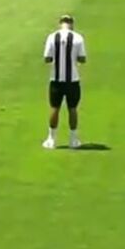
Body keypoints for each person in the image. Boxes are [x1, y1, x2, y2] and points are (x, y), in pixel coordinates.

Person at [42, 14, 87, 150]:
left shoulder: (52, 36)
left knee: (54, 108)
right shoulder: (78, 37)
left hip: (56, 80)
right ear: (71, 24)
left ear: (60, 23)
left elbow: (47, 58)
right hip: (72, 80)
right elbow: (83, 58)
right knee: (72, 108)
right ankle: (73, 140)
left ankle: (52, 140)